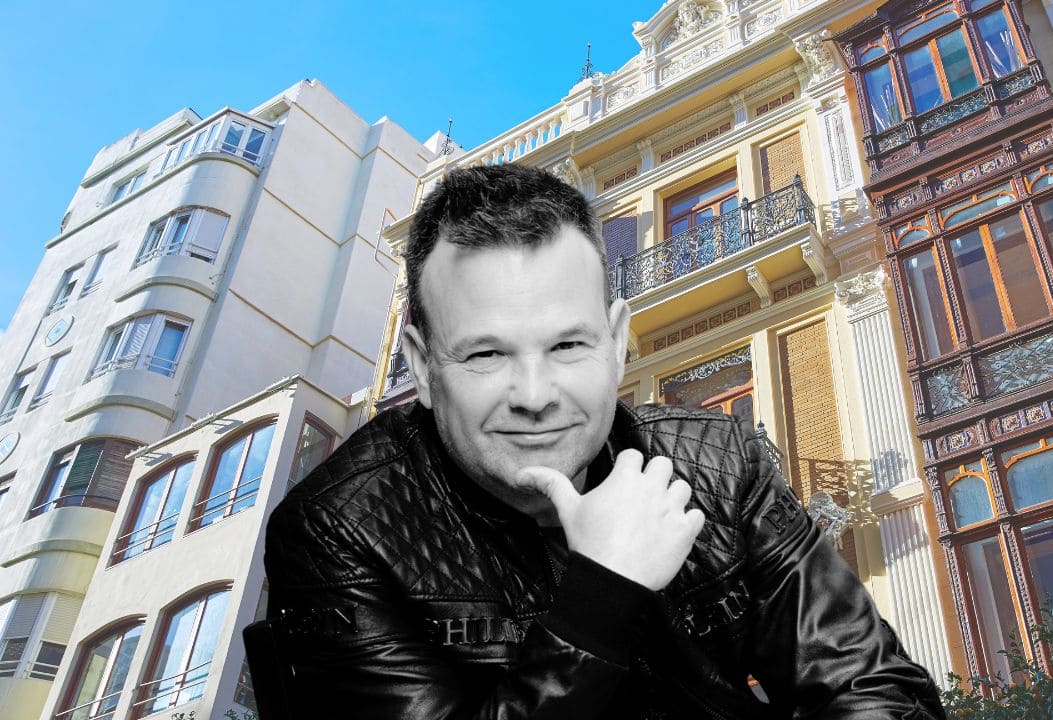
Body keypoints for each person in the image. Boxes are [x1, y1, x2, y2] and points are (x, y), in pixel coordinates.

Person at [250, 164, 945, 719]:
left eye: (568, 345)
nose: (535, 395)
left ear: (616, 343)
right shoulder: (336, 529)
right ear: (424, 368)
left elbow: (869, 686)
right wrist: (599, 597)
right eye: (486, 354)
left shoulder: (719, 463)